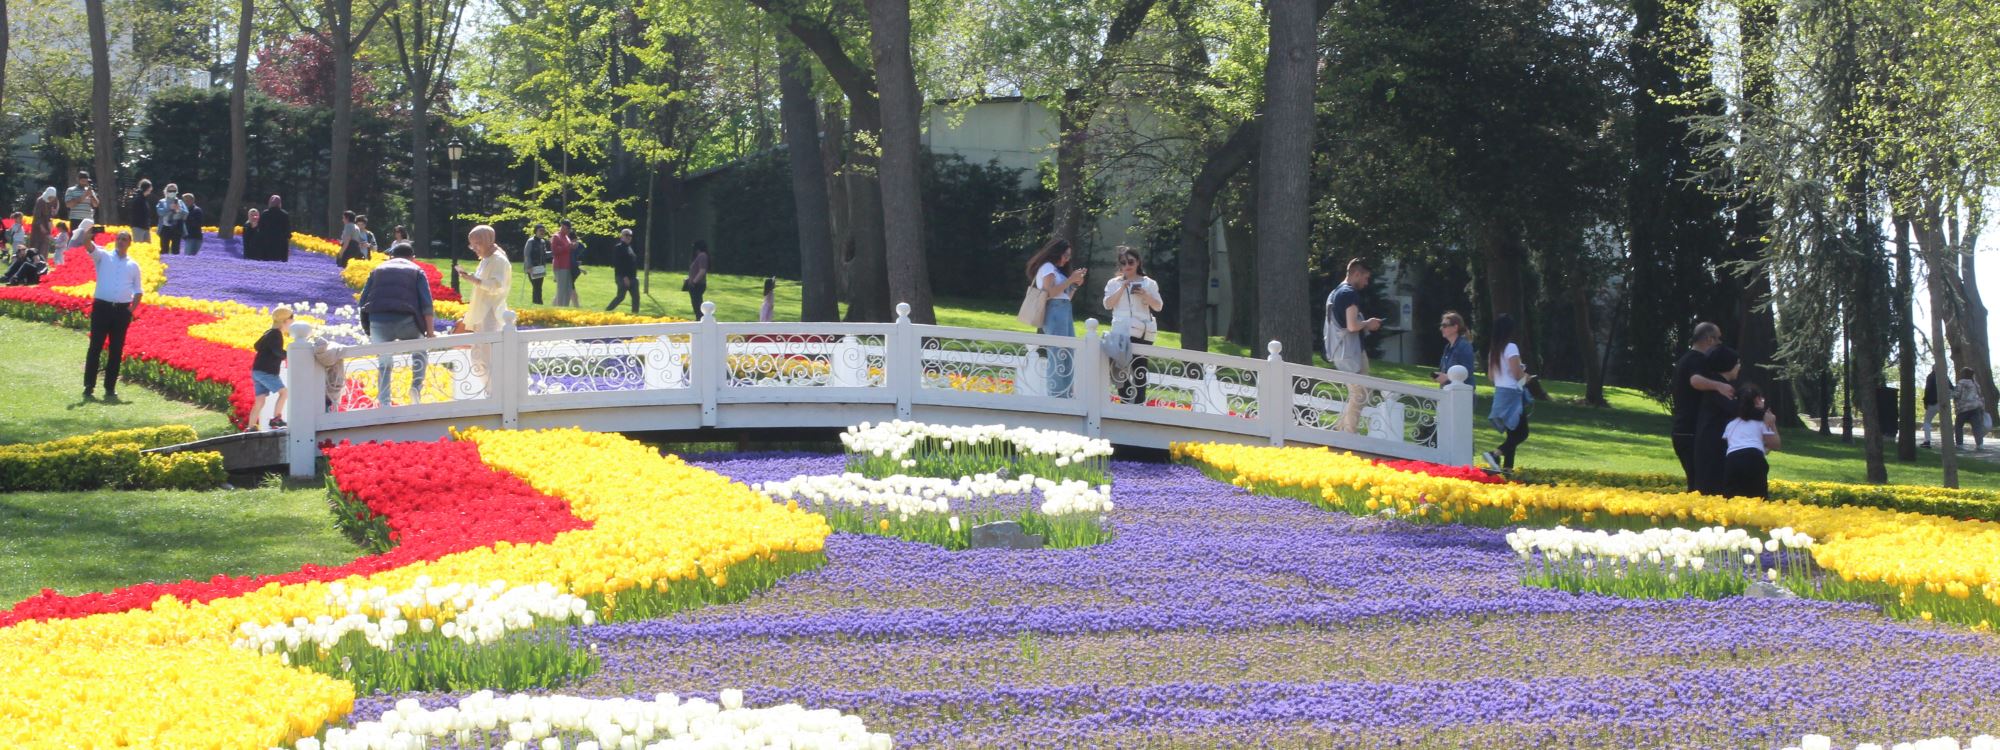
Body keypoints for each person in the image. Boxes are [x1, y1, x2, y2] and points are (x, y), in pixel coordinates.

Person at [358, 241, 436, 405]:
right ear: (412, 258)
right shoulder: (416, 270)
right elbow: (426, 304)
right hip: (406, 320)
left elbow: (363, 301)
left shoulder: (378, 270)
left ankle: (384, 401)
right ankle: (415, 388)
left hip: (378, 320)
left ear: (391, 256)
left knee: (384, 361)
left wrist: (367, 327)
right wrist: (430, 332)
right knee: (419, 352)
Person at [1670, 322, 1736, 491]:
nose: (1720, 343)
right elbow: (1695, 381)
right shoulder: (1696, 359)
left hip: (1682, 429)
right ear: (1709, 339)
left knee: (1696, 482)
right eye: (1718, 339)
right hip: (1689, 430)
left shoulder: (1686, 358)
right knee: (1699, 484)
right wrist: (1719, 386)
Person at [1324, 258, 1385, 433]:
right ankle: (1347, 434)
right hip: (1350, 352)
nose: (1366, 283)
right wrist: (1369, 323)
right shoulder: (1350, 294)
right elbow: (1352, 326)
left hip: (1338, 351)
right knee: (1361, 394)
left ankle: (1341, 429)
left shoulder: (1335, 293)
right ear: (1356, 274)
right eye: (1366, 278)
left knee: (1360, 394)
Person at [84, 230, 143, 401]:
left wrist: (131, 310)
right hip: (102, 308)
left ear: (129, 243)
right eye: (119, 239)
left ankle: (110, 387)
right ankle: (89, 385)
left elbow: (138, 291)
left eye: (124, 239)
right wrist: (89, 231)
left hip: (121, 311)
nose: (121, 242)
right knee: (95, 346)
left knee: (116, 350)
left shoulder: (133, 265)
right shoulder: (103, 257)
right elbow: (88, 245)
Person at [1025, 238, 1086, 398]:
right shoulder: (1047, 267)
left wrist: (1074, 284)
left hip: (1064, 310)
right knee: (1058, 353)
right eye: (1065, 255)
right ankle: (1057, 395)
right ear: (1056, 252)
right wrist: (1070, 279)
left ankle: (1065, 394)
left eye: (1069, 256)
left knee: (1068, 353)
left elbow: (1065, 296)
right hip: (1054, 312)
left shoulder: (1057, 271)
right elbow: (1049, 293)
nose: (1067, 259)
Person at [1103, 246, 1162, 404]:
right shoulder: (1113, 283)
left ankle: (1139, 403)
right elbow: (1108, 304)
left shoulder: (1148, 283)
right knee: (1117, 367)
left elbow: (1158, 306)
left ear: (1138, 262)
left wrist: (1146, 295)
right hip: (1120, 332)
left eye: (1131, 261)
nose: (1127, 265)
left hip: (1141, 331)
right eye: (1123, 263)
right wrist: (1122, 287)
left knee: (1139, 367)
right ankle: (1125, 398)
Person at [457, 225, 513, 390]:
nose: (474, 248)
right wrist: (472, 278)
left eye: (477, 244)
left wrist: (475, 280)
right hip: (481, 312)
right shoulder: (486, 259)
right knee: (479, 354)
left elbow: (497, 285)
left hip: (491, 312)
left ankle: (496, 391)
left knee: (488, 354)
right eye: (472, 245)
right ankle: (489, 389)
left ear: (489, 241)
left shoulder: (499, 260)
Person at [1481, 314, 1532, 473]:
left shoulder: (1494, 350)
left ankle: (1507, 469)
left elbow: (1491, 376)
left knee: (1513, 432)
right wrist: (1526, 377)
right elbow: (1517, 374)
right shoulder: (1511, 347)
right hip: (1512, 393)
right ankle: (1495, 454)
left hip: (1500, 393)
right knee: (1522, 433)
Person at [1693, 345, 1744, 494]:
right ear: (1729, 365)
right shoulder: (1721, 387)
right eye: (1737, 363)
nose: (1739, 367)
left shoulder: (1719, 384)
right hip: (1713, 445)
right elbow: (1735, 410)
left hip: (1713, 442)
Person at [1722, 384, 1781, 498]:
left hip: (1732, 460)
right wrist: (1772, 423)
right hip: (1754, 460)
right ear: (1758, 400)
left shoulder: (1731, 424)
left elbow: (1735, 444)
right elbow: (1775, 444)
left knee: (1732, 498)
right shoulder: (1763, 421)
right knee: (1757, 498)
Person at [249, 306, 294, 431]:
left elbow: (256, 346)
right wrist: (290, 355)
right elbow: (277, 351)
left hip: (257, 370)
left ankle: (251, 426)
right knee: (284, 392)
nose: (292, 321)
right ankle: (276, 419)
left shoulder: (268, 332)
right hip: (267, 372)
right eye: (291, 318)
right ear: (284, 320)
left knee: (260, 401)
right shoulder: (276, 334)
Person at [1433, 311, 1477, 389]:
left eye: (1444, 325)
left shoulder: (1464, 346)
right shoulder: (1448, 347)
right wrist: (1439, 376)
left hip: (1462, 394)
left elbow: (1467, 372)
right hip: (1448, 392)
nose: (1441, 328)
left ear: (1455, 327)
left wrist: (1447, 377)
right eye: (1441, 325)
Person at [607, 229, 640, 314]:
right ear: (621, 236)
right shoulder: (619, 247)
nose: (628, 237)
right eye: (626, 235)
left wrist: (635, 276)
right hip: (623, 277)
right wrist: (625, 277)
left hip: (633, 278)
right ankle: (607, 311)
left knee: (636, 297)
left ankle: (635, 315)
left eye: (630, 235)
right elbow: (618, 264)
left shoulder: (629, 248)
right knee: (621, 296)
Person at [1956, 367, 1986, 452]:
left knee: (1959, 425)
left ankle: (1960, 444)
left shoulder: (1962, 382)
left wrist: (1950, 392)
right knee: (1977, 427)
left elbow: (1957, 394)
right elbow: (1980, 395)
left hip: (1964, 408)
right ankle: (1980, 444)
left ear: (1964, 374)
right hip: (1976, 407)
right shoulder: (1975, 384)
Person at [254, 195, 292, 262]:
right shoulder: (285, 215)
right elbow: (287, 230)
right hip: (280, 244)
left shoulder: (265, 214)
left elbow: (260, 228)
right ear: (280, 203)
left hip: (266, 244)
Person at [551, 220, 580, 307]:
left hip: (567, 266)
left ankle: (565, 307)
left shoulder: (566, 237)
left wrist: (573, 246)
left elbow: (567, 249)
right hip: (560, 266)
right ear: (562, 227)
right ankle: (559, 308)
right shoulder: (556, 237)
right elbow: (554, 251)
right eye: (567, 228)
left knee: (568, 288)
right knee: (561, 289)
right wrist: (568, 246)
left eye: (569, 229)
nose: (569, 231)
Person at [523, 224, 552, 305]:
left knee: (538, 286)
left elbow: (544, 254)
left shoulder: (543, 242)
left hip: (541, 267)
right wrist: (529, 267)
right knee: (536, 286)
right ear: (536, 231)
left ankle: (536, 302)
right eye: (540, 230)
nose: (542, 232)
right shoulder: (530, 241)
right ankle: (538, 302)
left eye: (543, 231)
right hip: (532, 267)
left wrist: (554, 253)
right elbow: (527, 254)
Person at [155, 183, 187, 255]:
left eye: (174, 190)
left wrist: (179, 209)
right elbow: (160, 212)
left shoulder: (180, 202)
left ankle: (175, 264)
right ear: (166, 191)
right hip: (165, 228)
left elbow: (186, 214)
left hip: (177, 228)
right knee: (164, 248)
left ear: (176, 191)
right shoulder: (162, 202)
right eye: (170, 191)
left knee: (176, 249)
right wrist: (169, 208)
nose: (172, 192)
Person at [30, 187, 58, 260]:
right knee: (36, 244)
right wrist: (41, 227)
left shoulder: (51, 202)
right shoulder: (40, 201)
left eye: (53, 198)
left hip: (46, 225)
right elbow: (37, 216)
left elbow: (50, 215)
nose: (51, 199)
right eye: (50, 197)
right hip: (38, 226)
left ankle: (43, 262)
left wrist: (52, 216)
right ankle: (34, 261)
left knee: (45, 245)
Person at [684, 240, 710, 316]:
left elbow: (702, 271)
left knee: (697, 304)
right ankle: (699, 318)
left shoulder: (702, 256)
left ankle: (700, 318)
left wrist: (694, 282)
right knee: (695, 303)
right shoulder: (700, 256)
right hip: (695, 284)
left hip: (698, 284)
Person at [1922, 369, 1941, 448]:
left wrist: (1925, 402)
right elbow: (1951, 387)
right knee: (1945, 422)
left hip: (1932, 402)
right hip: (1943, 402)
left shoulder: (1931, 377)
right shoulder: (1944, 376)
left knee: (1927, 421)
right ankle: (1948, 441)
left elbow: (1927, 390)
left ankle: (1927, 441)